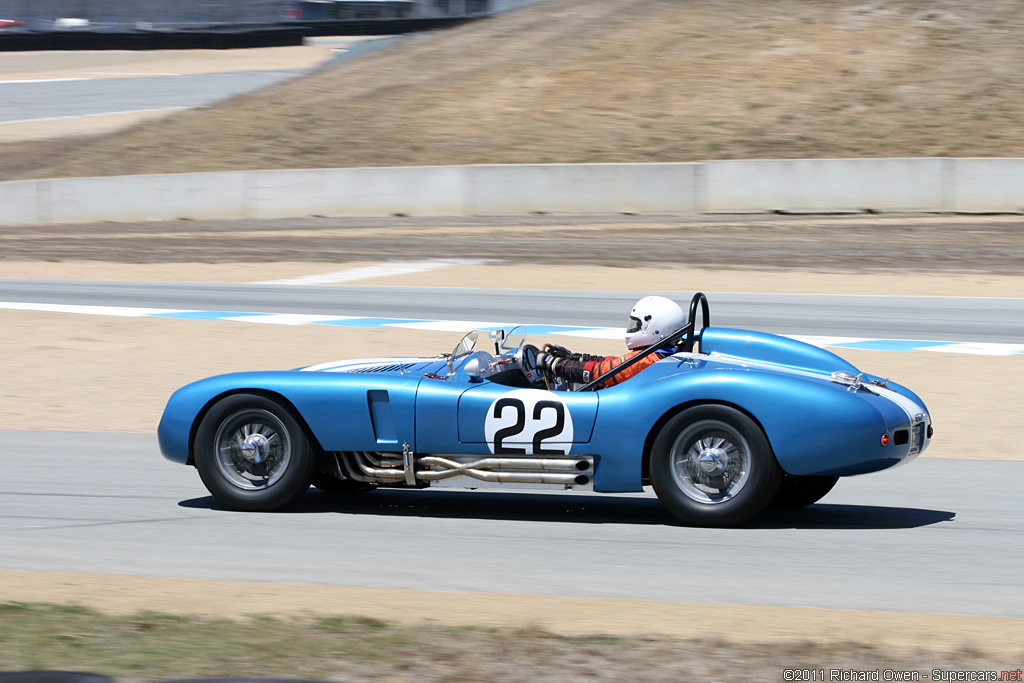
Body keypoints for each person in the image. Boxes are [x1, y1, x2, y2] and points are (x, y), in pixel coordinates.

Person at [535, 296, 686, 388]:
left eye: (637, 325)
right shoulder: (662, 354)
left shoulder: (648, 360)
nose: (633, 329)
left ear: (655, 328)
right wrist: (576, 358)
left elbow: (602, 373)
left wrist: (554, 364)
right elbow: (616, 363)